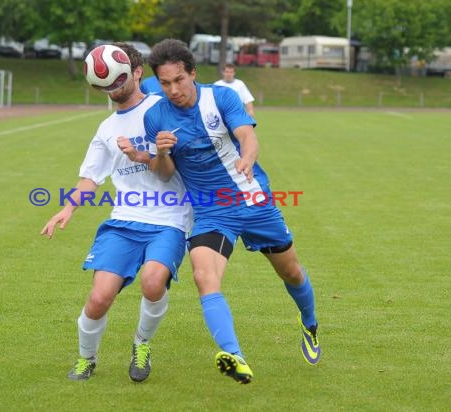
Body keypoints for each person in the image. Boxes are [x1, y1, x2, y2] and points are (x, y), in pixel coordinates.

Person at [144, 39, 321, 384]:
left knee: (292, 273)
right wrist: (162, 153)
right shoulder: (157, 116)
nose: (173, 90)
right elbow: (163, 172)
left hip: (254, 201)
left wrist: (248, 158)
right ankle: (234, 355)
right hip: (211, 211)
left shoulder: (221, 97)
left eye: (179, 80)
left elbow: (247, 135)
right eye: (165, 83)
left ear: (192, 73)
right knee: (203, 277)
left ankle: (310, 321)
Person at [41, 42, 192, 383]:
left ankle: (142, 343)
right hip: (124, 221)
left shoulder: (164, 109)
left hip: (168, 218)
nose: (113, 87)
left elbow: (175, 164)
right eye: (106, 83)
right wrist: (67, 209)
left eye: (119, 78)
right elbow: (90, 178)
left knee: (153, 283)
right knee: (98, 298)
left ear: (137, 72)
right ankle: (86, 359)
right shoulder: (106, 128)